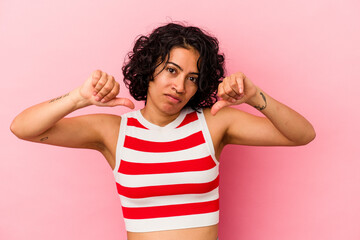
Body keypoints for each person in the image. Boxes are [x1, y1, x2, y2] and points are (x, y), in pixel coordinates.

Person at [10, 22, 316, 240]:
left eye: (192, 77)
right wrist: (78, 98)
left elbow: (302, 135)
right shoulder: (115, 130)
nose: (180, 86)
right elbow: (22, 128)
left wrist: (256, 97)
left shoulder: (213, 123)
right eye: (172, 70)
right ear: (149, 69)